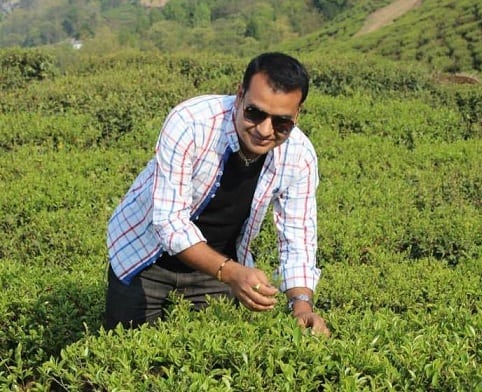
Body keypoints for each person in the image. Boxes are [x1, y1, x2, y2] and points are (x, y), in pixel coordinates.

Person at [105, 52, 330, 336]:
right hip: (145, 255)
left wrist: (302, 305)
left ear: (297, 115)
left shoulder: (300, 155)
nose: (264, 130)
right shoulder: (190, 122)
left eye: (281, 123)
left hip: (216, 268)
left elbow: (297, 237)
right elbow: (169, 223)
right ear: (239, 95)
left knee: (206, 363)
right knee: (126, 353)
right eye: (254, 113)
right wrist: (232, 273)